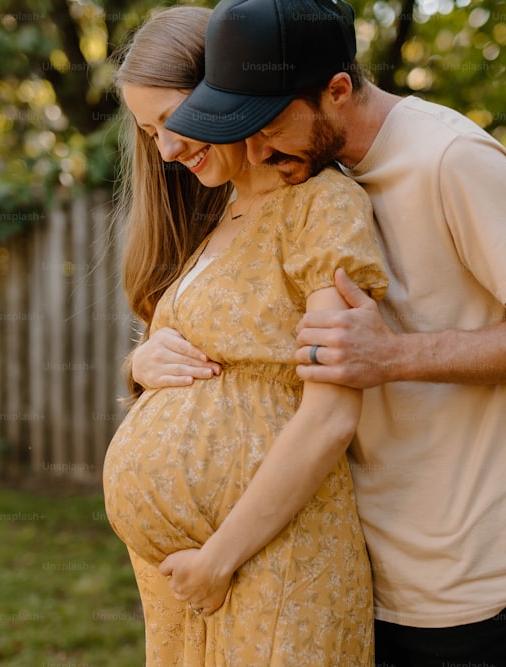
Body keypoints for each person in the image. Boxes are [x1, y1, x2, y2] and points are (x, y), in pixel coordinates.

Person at [131, 0, 506, 665]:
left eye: (267, 126)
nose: (256, 150)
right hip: (358, 549)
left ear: (338, 91)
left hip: (463, 565)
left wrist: (394, 355)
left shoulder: (450, 158)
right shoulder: (310, 178)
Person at [101, 6, 388, 665]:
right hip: (183, 581)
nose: (167, 149)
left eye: (171, 121)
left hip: (267, 557)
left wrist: (219, 557)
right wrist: (142, 359)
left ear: (227, 92)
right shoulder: (210, 211)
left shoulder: (321, 205)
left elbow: (331, 414)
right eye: (150, 133)